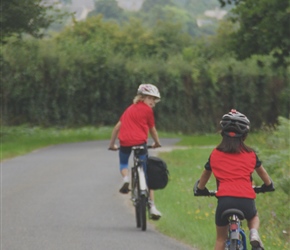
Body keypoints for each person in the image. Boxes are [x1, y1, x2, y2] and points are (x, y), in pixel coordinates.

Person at [194, 109, 274, 250]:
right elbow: (264, 175)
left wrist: (200, 189)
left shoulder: (215, 154)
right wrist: (268, 185)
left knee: (220, 239)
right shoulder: (250, 154)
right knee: (254, 217)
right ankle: (254, 233)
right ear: (244, 136)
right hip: (246, 201)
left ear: (222, 133)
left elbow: (205, 175)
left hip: (225, 201)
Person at [108, 83, 162, 220]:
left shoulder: (129, 110)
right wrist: (157, 143)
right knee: (146, 172)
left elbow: (116, 128)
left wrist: (112, 144)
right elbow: (152, 129)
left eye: (154, 100)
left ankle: (126, 178)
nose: (153, 103)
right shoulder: (148, 111)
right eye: (150, 98)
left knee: (123, 163)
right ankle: (152, 206)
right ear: (142, 97)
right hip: (140, 144)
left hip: (124, 142)